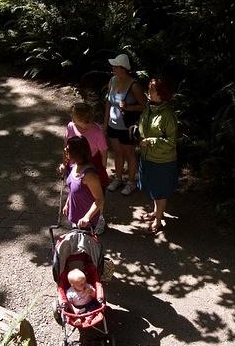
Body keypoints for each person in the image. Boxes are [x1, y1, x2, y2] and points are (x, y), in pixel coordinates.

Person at [137, 77, 178, 234]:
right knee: (154, 189)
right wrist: (137, 131)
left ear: (161, 94)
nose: (149, 92)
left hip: (162, 161)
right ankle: (156, 212)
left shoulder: (168, 115)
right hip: (148, 157)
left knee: (160, 191)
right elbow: (143, 125)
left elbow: (171, 142)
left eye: (152, 90)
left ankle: (159, 220)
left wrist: (151, 141)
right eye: (150, 89)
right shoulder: (149, 107)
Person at [103, 53, 147, 195]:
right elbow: (109, 103)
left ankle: (131, 182)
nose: (113, 68)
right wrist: (105, 123)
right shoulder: (112, 81)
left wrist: (128, 107)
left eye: (115, 66)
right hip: (113, 124)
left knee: (129, 154)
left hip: (127, 127)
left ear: (123, 68)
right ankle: (118, 178)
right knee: (117, 152)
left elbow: (144, 106)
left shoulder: (134, 85)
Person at [63, 135, 105, 233]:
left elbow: (100, 199)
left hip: (86, 221)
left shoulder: (89, 175)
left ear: (76, 152)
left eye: (68, 148)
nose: (65, 149)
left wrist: (87, 217)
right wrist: (67, 203)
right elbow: (72, 188)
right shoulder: (74, 166)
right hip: (76, 215)